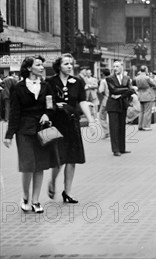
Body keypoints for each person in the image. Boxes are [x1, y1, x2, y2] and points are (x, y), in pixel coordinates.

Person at [3, 56, 58, 213]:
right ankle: (25, 196)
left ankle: (36, 200)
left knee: (39, 165)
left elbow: (51, 105)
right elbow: (14, 112)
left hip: (42, 129)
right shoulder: (18, 88)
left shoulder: (46, 86)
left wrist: (48, 114)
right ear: (29, 68)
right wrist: (9, 135)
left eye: (42, 65)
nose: (42, 67)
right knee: (28, 165)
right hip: (24, 130)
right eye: (38, 65)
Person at [46, 54, 95, 202]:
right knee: (59, 158)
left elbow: (82, 102)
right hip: (56, 123)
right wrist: (54, 106)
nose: (69, 66)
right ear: (59, 66)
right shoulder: (50, 82)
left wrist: (91, 121)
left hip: (72, 123)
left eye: (71, 64)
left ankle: (67, 192)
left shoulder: (78, 82)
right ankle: (53, 181)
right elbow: (47, 102)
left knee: (72, 158)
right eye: (66, 63)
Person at [105, 60, 135, 156]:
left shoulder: (127, 78)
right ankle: (115, 150)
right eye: (114, 66)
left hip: (122, 104)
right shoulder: (109, 78)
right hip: (113, 105)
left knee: (122, 127)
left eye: (117, 66)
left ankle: (122, 148)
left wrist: (121, 95)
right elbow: (113, 90)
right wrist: (126, 89)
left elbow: (132, 91)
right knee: (114, 128)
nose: (115, 68)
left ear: (122, 67)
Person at [134, 65, 156, 131]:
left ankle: (140, 125)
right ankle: (146, 126)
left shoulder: (137, 78)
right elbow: (154, 84)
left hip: (140, 95)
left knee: (141, 111)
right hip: (147, 94)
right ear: (146, 69)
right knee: (147, 111)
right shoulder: (147, 78)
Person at [96, 68, 111, 139]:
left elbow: (100, 90)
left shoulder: (103, 81)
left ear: (103, 74)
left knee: (101, 116)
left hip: (106, 101)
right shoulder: (113, 79)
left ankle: (107, 132)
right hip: (113, 101)